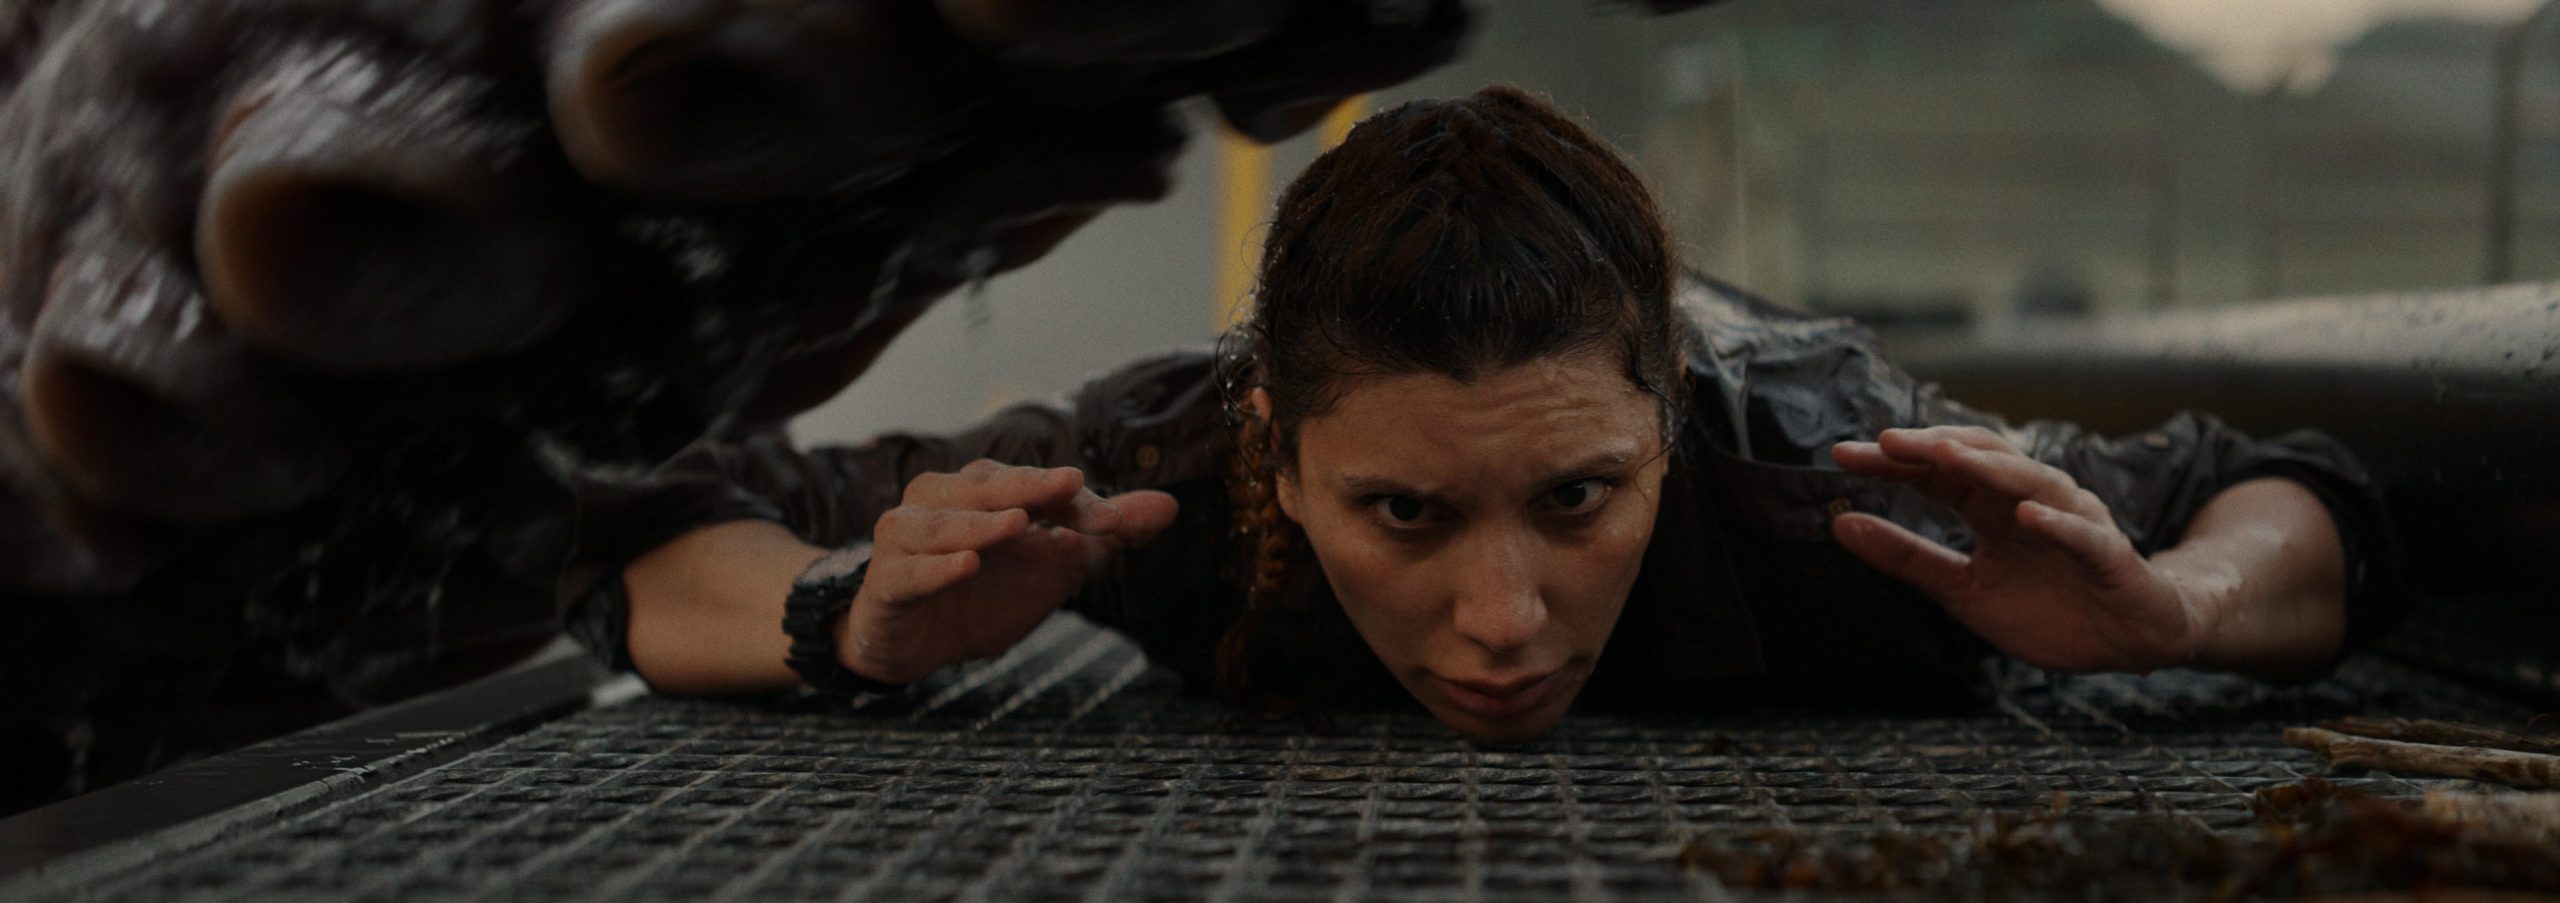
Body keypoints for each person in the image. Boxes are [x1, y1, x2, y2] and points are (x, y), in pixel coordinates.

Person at [576, 86, 2399, 743]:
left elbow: (2280, 493)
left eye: (1581, 499)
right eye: (1408, 519)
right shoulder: (1160, 476)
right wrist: (857, 625)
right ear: (1282, 445)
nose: (1507, 623)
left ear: (1668, 425)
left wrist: (2174, 617)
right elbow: (656, 533)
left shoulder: (1839, 467)